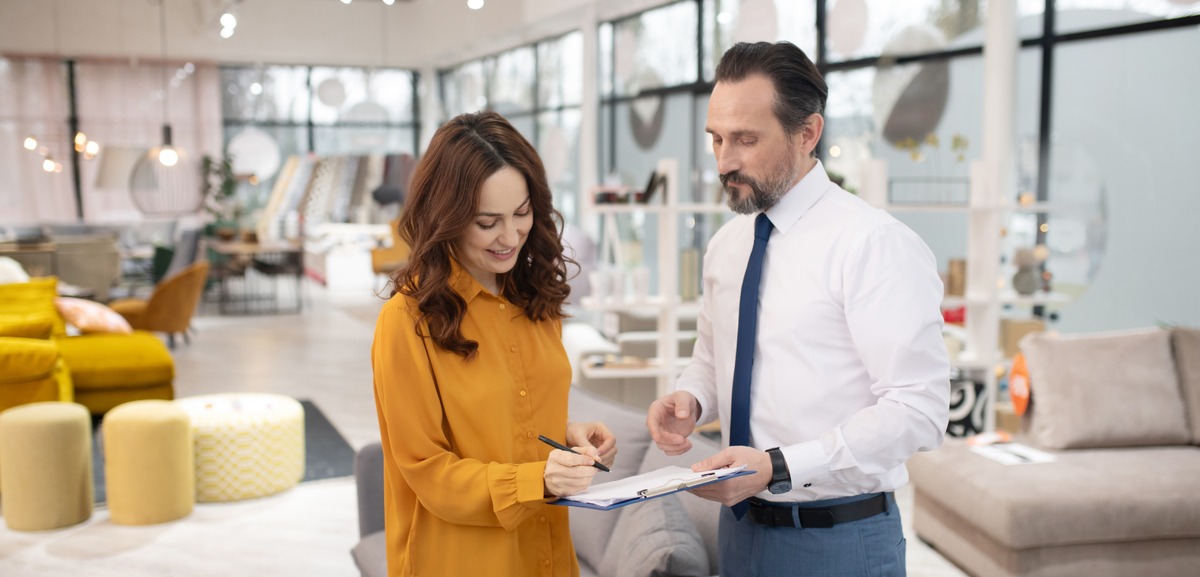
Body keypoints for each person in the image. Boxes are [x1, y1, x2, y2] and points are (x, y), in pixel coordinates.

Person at [646, 41, 950, 577]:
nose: (724, 161)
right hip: (738, 530)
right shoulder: (726, 245)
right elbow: (712, 357)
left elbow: (919, 409)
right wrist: (691, 398)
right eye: (716, 138)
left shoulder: (872, 243)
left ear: (807, 133)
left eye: (746, 139)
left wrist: (779, 467)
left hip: (839, 542)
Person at [372, 111, 618, 577]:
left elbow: (505, 417)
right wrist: (536, 479)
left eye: (522, 214)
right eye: (488, 222)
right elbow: (426, 470)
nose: (510, 237)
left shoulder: (536, 300)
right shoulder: (407, 321)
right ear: (445, 217)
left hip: (547, 554)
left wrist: (567, 435)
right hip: (459, 561)